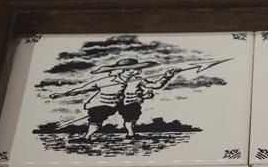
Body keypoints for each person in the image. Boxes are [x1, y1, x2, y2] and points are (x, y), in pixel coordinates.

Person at [49, 58, 179, 140]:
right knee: (96, 118)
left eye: (138, 69)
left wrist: (167, 76)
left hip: (128, 102)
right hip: (104, 103)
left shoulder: (139, 80)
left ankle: (131, 135)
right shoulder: (105, 81)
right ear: (124, 70)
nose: (138, 72)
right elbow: (83, 89)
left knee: (132, 113)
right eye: (135, 69)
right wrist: (62, 95)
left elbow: (156, 85)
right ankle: (87, 137)